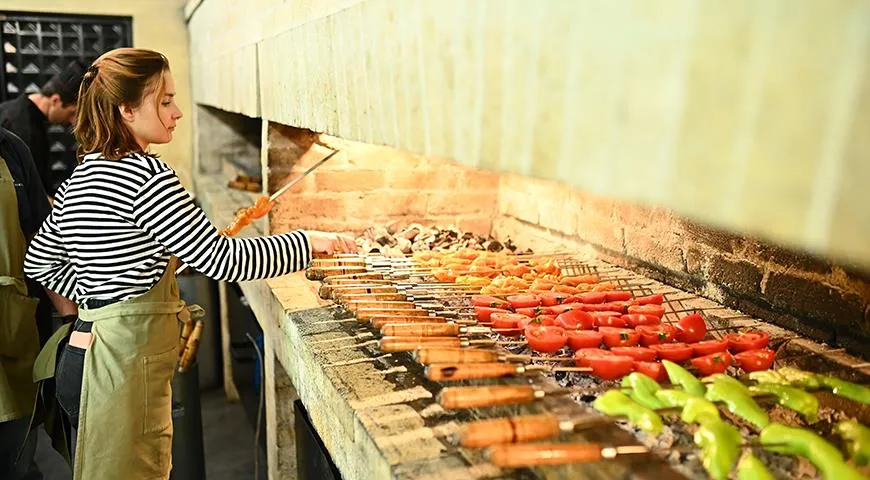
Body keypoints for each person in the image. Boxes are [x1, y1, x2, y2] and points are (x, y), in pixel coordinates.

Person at [24, 48, 356, 479]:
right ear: (126, 109)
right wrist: (311, 242)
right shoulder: (146, 175)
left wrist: (111, 287)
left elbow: (40, 262)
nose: (177, 112)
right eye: (164, 101)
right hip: (123, 371)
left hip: (82, 357)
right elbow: (224, 260)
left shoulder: (83, 175)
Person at [0, 126, 76, 479]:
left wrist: (72, 319)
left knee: (16, 459)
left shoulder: (11, 150)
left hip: (10, 332)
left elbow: (40, 242)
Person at [0, 60, 85, 197]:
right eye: (72, 113)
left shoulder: (10, 109)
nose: (73, 121)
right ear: (55, 100)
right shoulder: (21, 128)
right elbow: (27, 192)